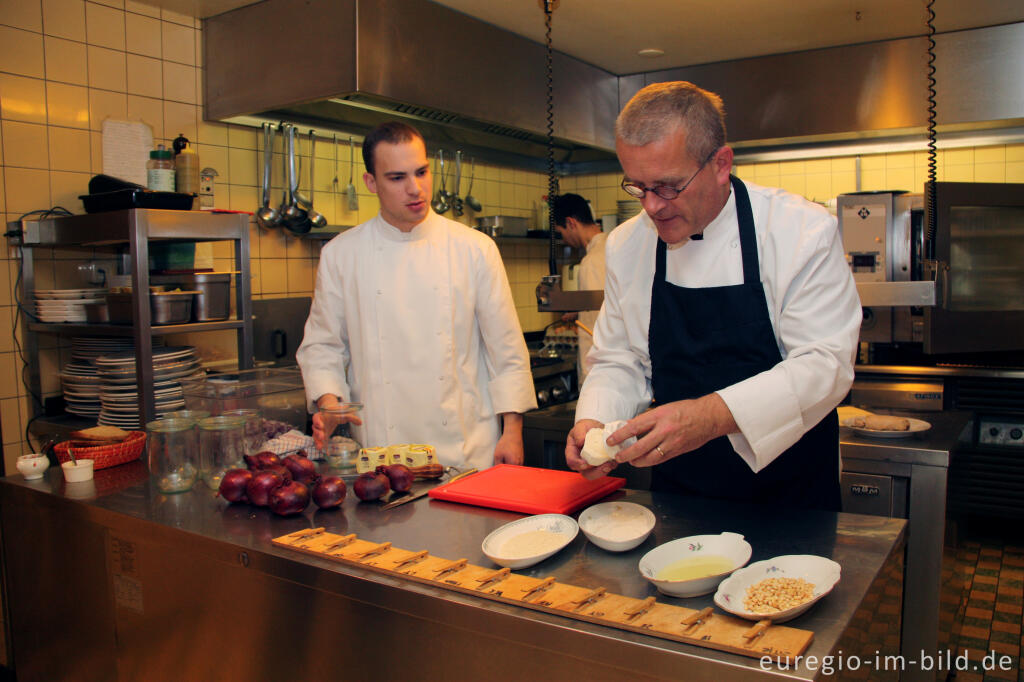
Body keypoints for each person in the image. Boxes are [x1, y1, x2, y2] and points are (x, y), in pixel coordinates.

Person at [565, 81, 861, 511]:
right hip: (678, 494)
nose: (651, 206)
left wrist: (709, 417)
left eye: (668, 186)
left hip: (791, 493)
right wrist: (595, 420)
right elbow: (619, 358)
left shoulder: (801, 231)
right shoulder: (628, 245)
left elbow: (825, 364)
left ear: (721, 164)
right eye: (638, 187)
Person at [297, 121, 536, 471]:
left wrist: (512, 431)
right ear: (371, 183)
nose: (415, 188)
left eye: (421, 172)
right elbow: (322, 346)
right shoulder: (341, 254)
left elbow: (507, 350)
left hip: (467, 455)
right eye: (397, 178)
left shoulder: (474, 249)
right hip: (383, 458)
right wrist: (330, 404)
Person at [551, 193, 607, 384]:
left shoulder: (590, 262)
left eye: (561, 232)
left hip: (600, 373)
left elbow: (594, 327)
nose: (564, 239)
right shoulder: (612, 246)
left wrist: (588, 379)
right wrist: (580, 310)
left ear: (571, 223)